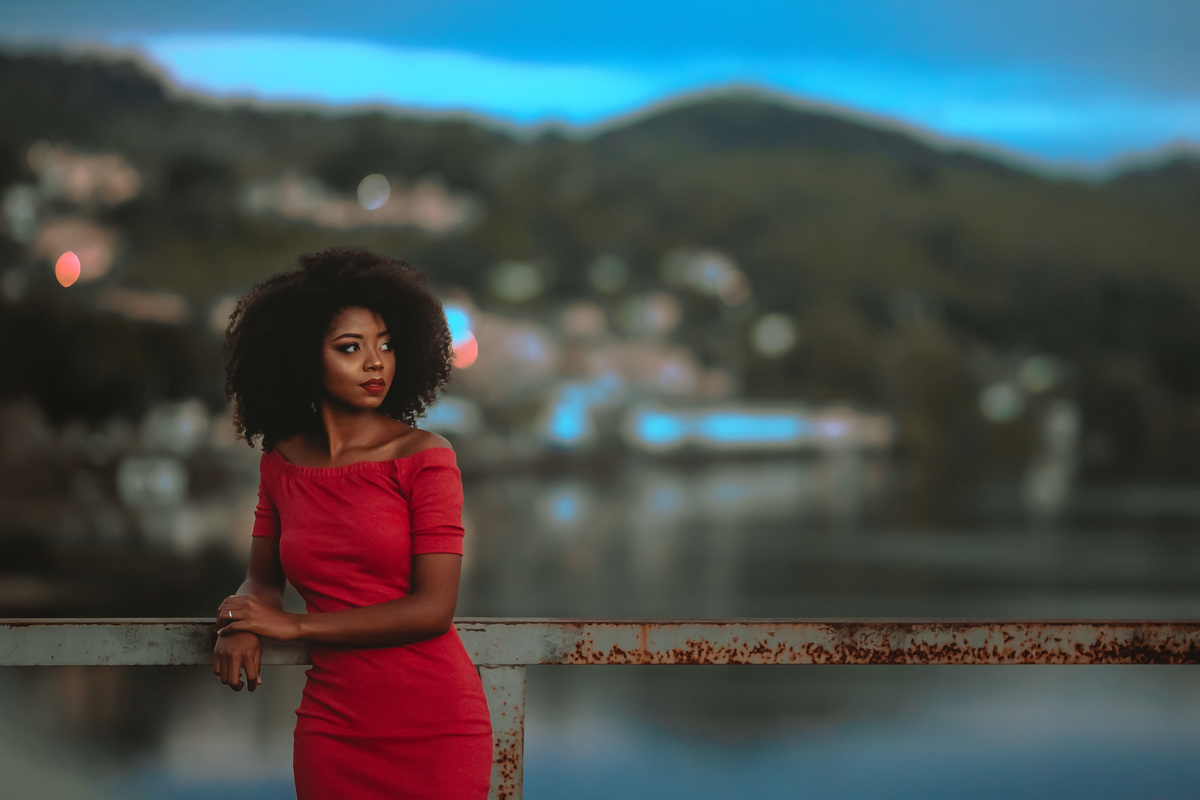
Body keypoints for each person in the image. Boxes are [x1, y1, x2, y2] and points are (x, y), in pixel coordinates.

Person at [212, 248, 492, 799]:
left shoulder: (426, 457)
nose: (376, 363)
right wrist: (240, 621)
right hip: (333, 726)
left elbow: (433, 610)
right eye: (350, 348)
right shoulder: (282, 464)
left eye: (386, 345)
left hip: (436, 725)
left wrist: (293, 627)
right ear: (301, 358)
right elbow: (264, 580)